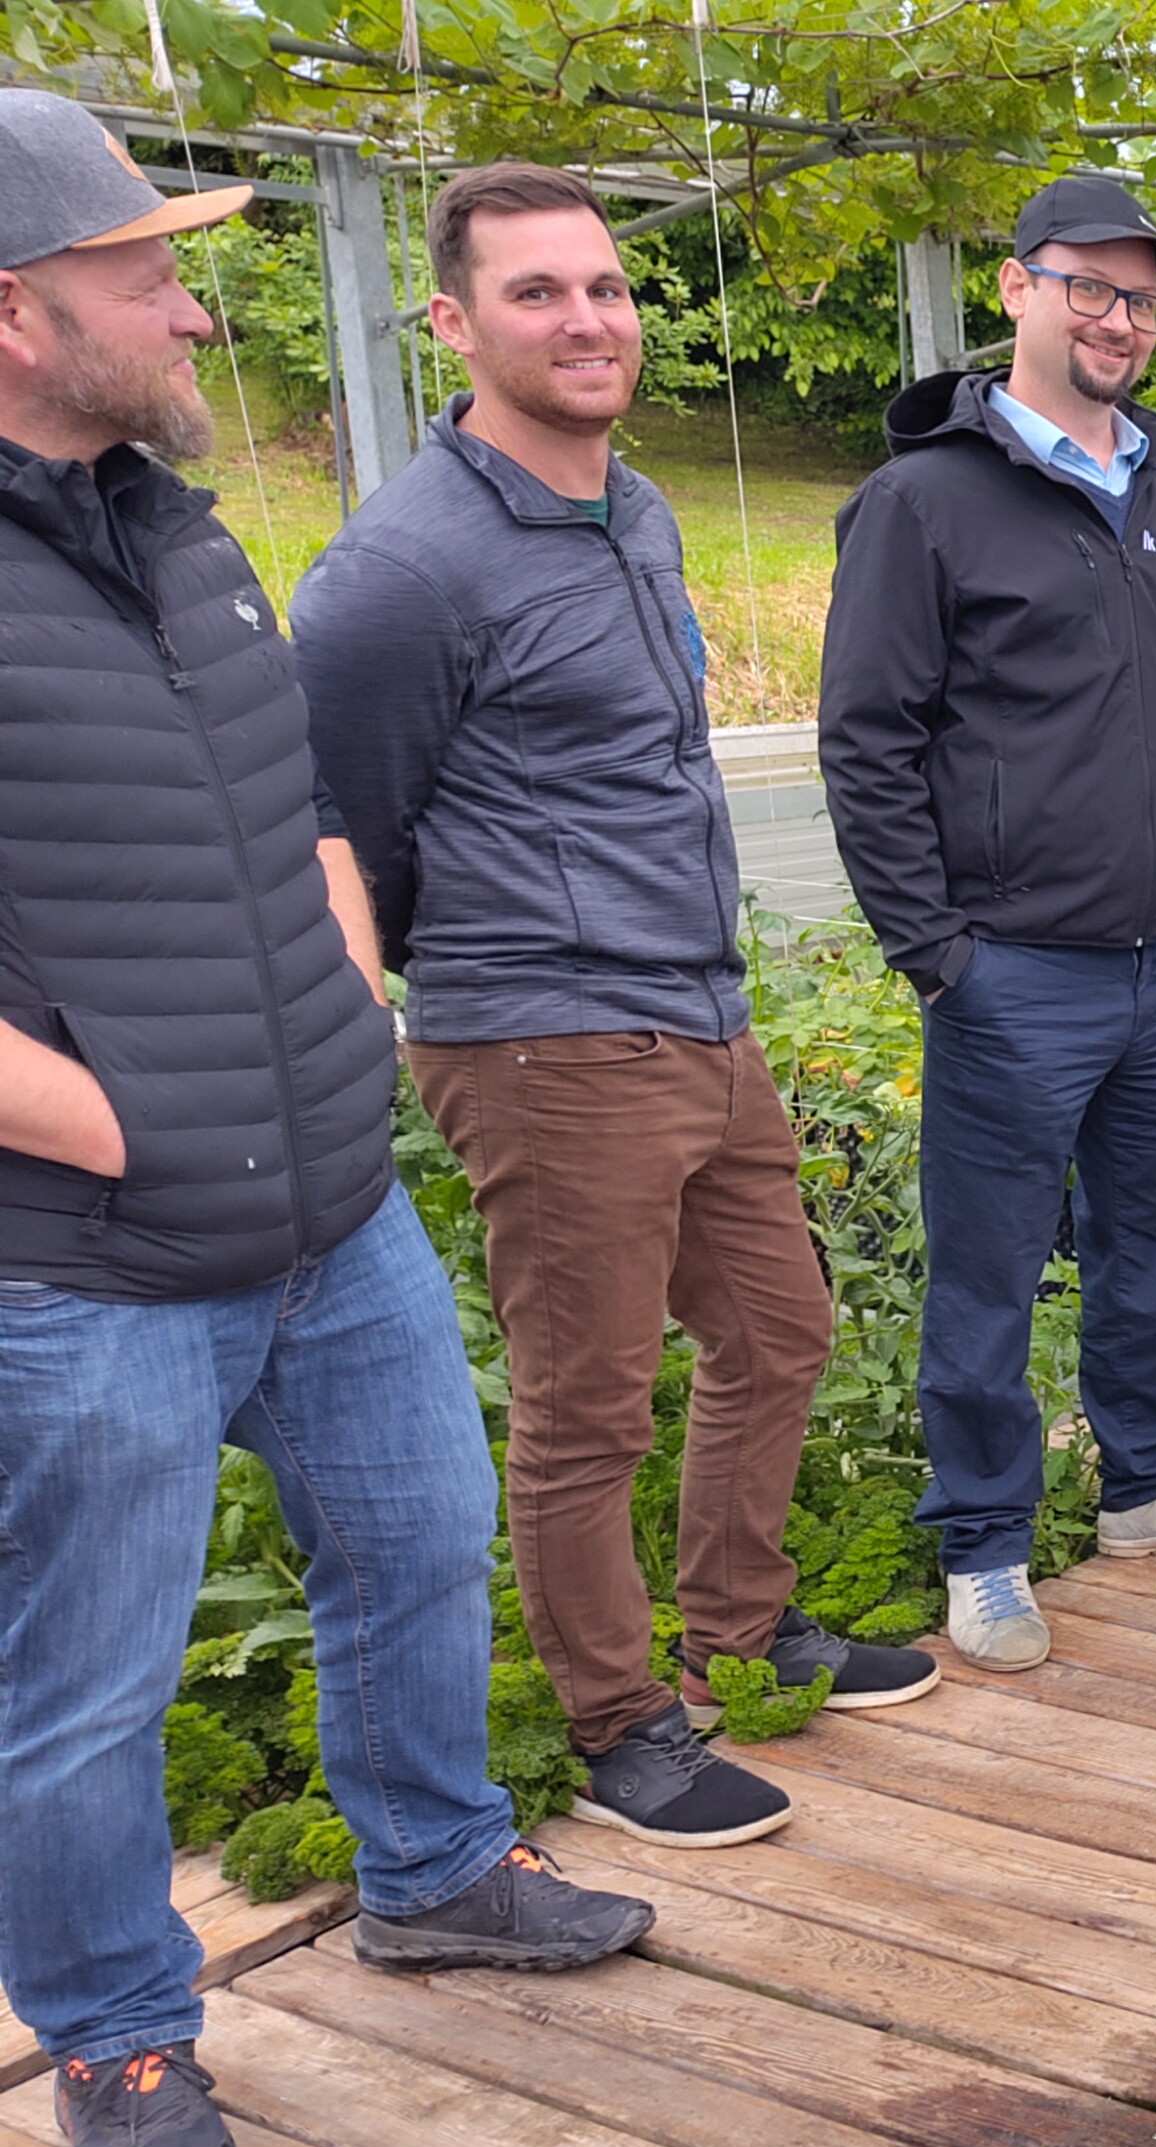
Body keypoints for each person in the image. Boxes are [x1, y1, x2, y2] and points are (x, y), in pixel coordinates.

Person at [0, 95, 648, 2147]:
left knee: (418, 1541)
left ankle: (436, 1873)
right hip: (86, 1260)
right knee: (83, 1690)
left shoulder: (175, 534)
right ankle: (117, 2032)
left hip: (329, 1215)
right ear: (15, 314)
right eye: (143, 277)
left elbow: (299, 808)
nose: (195, 312)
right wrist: (123, 1124)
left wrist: (347, 987)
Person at [292, 162, 933, 1852]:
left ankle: (739, 1632)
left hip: (698, 1013)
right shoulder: (400, 569)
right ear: (452, 323)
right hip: (547, 1037)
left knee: (778, 1329)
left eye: (605, 288)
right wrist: (490, 976)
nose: (587, 320)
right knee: (587, 1401)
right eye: (538, 292)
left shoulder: (631, 509)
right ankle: (617, 1723)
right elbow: (347, 823)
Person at [818, 175, 1156, 1673]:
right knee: (992, 1268)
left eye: (1140, 298)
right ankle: (985, 1543)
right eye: (1089, 286)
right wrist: (937, 952)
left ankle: (1146, 1481)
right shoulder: (924, 503)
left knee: (1152, 1242)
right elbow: (868, 742)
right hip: (1013, 969)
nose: (1119, 320)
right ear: (1015, 289)